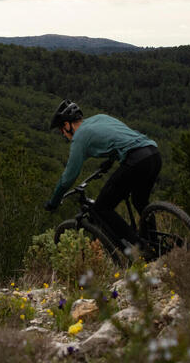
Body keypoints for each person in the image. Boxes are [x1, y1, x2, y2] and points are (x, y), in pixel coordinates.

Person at [44, 99, 161, 253]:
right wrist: (110, 161)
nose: (64, 136)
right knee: (140, 201)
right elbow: (119, 136)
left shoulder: (79, 138)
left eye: (61, 131)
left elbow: (68, 178)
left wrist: (54, 201)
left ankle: (141, 248)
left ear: (67, 125)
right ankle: (157, 246)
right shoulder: (100, 117)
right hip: (153, 153)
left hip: (136, 160)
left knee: (102, 208)